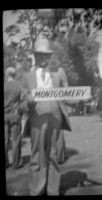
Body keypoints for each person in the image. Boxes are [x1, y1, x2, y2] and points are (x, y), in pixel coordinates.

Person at [22, 37, 72, 196]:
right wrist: (28, 102)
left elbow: (66, 96)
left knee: (54, 155)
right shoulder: (27, 77)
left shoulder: (56, 75)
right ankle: (36, 189)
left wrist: (78, 98)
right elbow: (22, 104)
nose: (45, 59)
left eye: (47, 55)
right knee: (37, 156)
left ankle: (52, 190)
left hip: (56, 121)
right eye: (41, 55)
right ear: (35, 56)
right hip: (37, 121)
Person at [4, 67, 23, 169]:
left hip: (4, 115)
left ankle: (6, 163)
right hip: (15, 114)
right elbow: (23, 99)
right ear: (14, 74)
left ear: (6, 74)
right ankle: (16, 163)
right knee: (15, 139)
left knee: (5, 140)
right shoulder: (18, 85)